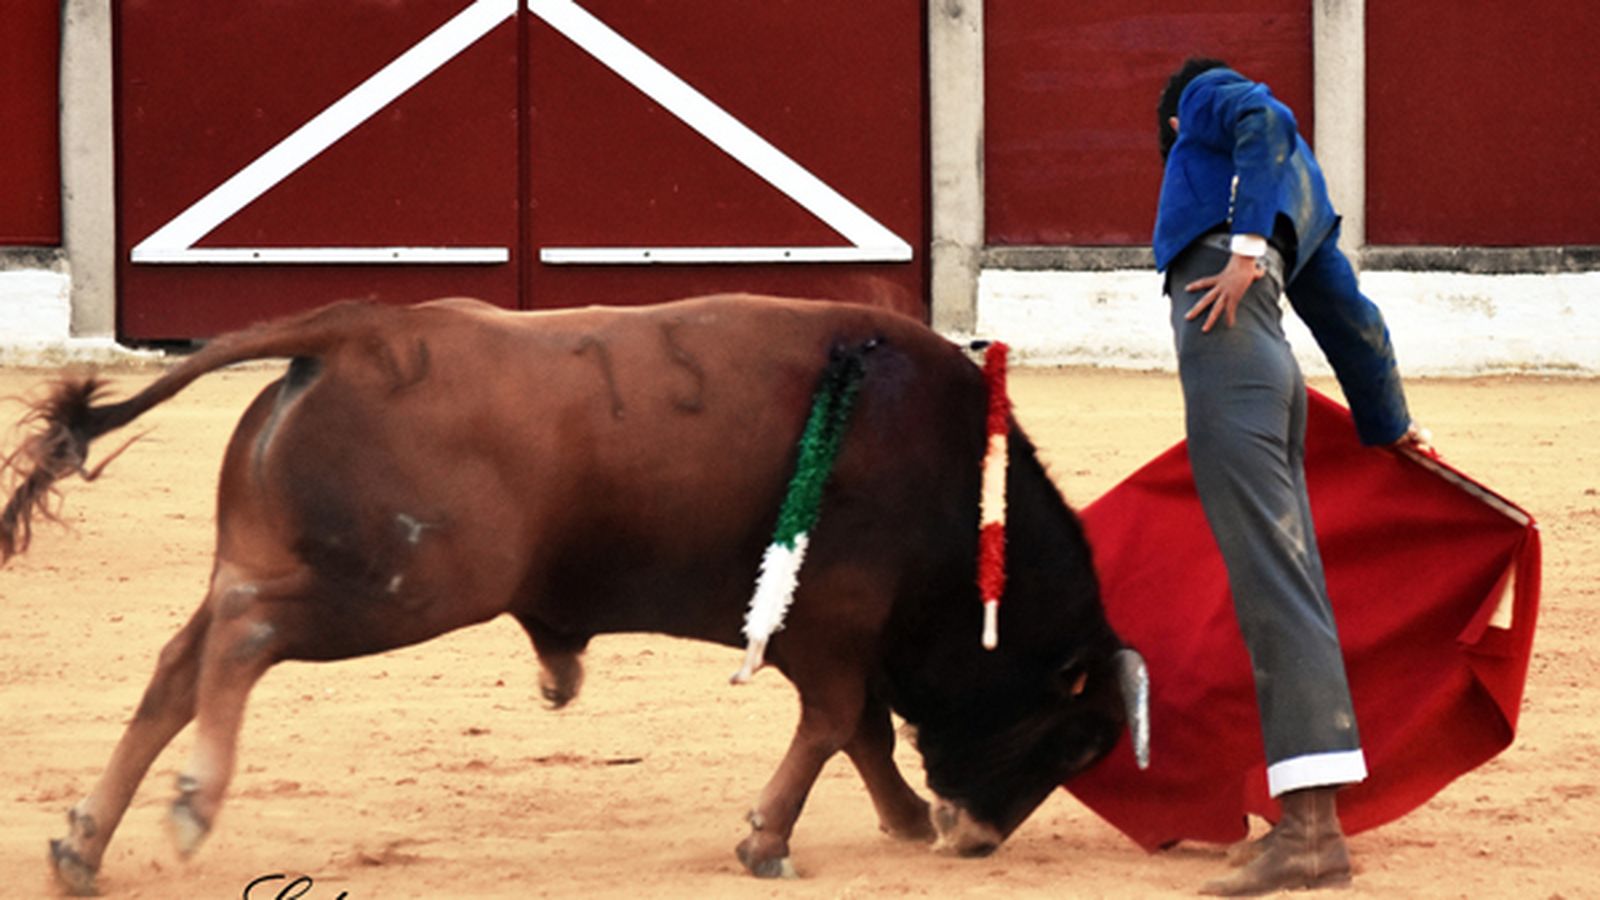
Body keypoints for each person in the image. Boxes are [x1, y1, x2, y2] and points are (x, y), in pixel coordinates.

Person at [1152, 58, 1428, 895]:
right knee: (1290, 580)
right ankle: (1304, 819)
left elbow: (1263, 115)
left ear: (1173, 125)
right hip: (1268, 363)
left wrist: (1239, 252)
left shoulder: (1205, 102)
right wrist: (1390, 422)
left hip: (1230, 348)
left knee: (1274, 588)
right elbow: (1353, 320)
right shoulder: (1303, 199)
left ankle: (1311, 831)